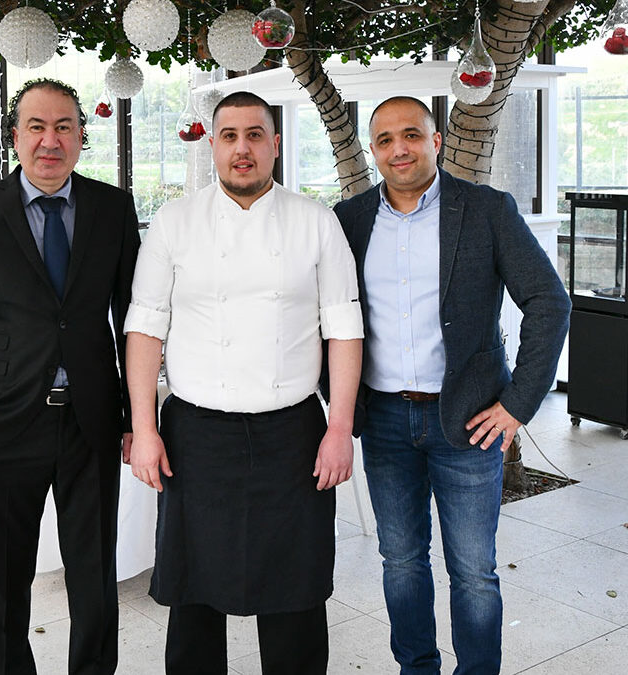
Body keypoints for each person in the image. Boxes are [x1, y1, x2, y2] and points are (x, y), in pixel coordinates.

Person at [124, 91, 363, 674]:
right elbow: (145, 329)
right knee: (193, 596)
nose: (242, 149)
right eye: (229, 136)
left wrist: (339, 429)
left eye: (255, 135)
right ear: (212, 145)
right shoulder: (175, 221)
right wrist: (145, 430)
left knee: (296, 593)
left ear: (275, 145)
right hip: (196, 434)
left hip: (293, 434)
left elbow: (344, 328)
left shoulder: (315, 220)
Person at [333, 96, 571, 674]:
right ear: (373, 150)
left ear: (435, 140)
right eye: (385, 140)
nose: (399, 149)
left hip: (469, 418)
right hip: (384, 420)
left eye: (411, 135)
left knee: (472, 571)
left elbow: (549, 301)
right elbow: (326, 315)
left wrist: (517, 405)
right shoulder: (349, 219)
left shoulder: (487, 210)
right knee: (401, 562)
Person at [0, 78, 140, 674]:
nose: (51, 141)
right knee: (4, 579)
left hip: (90, 422)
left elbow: (132, 319)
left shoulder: (112, 208)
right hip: (0, 423)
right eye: (37, 127)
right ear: (14, 137)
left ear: (81, 136)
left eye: (64, 127)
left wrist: (134, 415)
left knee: (94, 574)